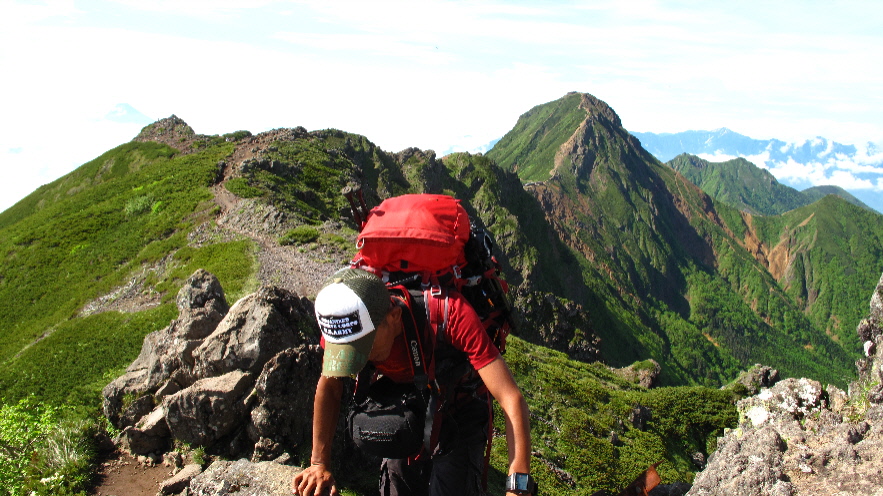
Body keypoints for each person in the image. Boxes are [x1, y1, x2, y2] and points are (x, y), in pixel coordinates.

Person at [292, 268, 534, 496]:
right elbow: (330, 384)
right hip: (406, 404)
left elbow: (510, 398)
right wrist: (318, 463)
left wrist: (518, 487)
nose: (358, 358)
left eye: (364, 346)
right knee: (396, 483)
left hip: (459, 408)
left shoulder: (451, 314)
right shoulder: (343, 326)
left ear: (394, 316)